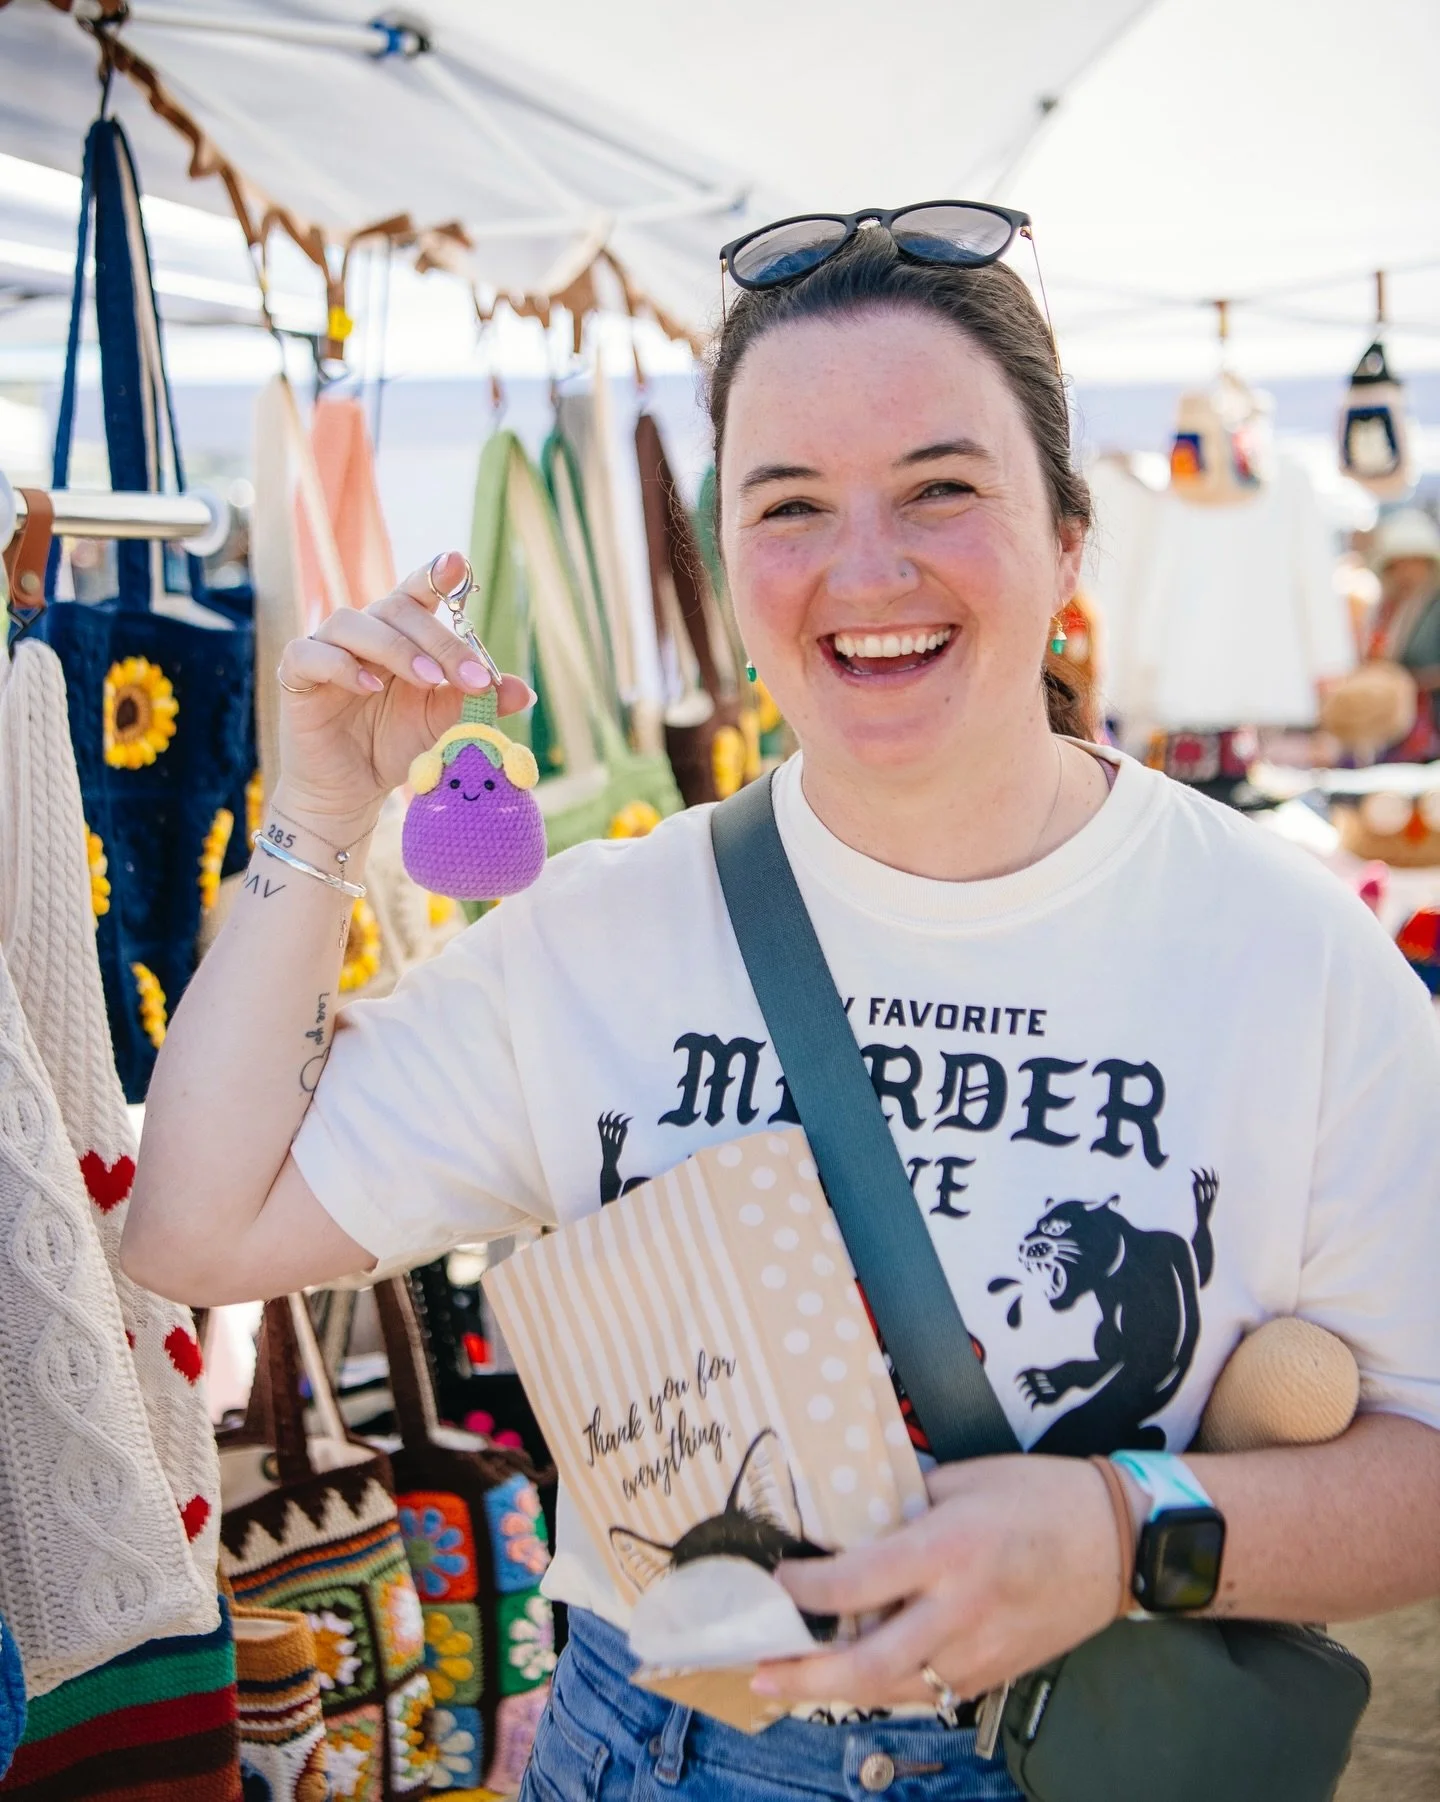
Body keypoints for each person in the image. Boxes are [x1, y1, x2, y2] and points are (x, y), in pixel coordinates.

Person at [125, 221, 1440, 1802]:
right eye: (790, 504)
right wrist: (322, 813)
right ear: (724, 561)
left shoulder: (1287, 949)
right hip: (663, 1751)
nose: (864, 570)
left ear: (1070, 539)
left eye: (940, 488)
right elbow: (196, 1228)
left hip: (1069, 1750)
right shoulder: (597, 935)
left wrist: (1120, 1532)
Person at [1366, 507, 1440, 761]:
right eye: (1398, 565)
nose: (1405, 572)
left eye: (1412, 563)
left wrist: (1410, 681)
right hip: (1398, 725)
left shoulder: (1434, 606)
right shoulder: (1389, 610)